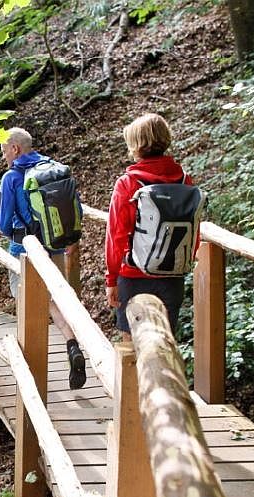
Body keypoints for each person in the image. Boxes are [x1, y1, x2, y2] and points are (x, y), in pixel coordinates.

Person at [0, 127, 86, 390]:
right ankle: (71, 344)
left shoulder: (11, 177)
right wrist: (71, 240)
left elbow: (3, 223)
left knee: (30, 301)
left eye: (4, 151)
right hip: (55, 244)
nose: (3, 157)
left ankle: (29, 374)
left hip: (25, 250)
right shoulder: (55, 169)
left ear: (15, 149)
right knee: (56, 299)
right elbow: (74, 206)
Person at [106, 113, 191, 338]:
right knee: (165, 344)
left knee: (132, 349)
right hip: (172, 275)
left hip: (134, 275)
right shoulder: (184, 180)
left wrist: (111, 279)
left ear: (136, 144)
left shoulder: (128, 183)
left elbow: (116, 235)